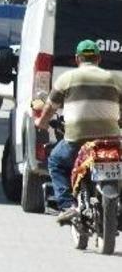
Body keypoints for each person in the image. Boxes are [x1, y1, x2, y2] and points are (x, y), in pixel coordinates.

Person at [34, 40, 122, 223]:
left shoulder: (67, 78)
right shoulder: (115, 79)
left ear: (77, 59)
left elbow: (50, 107)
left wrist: (41, 122)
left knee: (55, 161)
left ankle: (67, 206)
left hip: (77, 140)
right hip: (111, 141)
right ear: (99, 58)